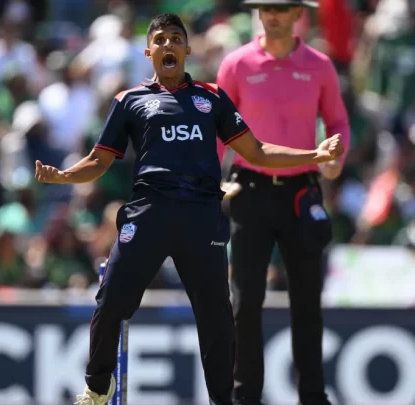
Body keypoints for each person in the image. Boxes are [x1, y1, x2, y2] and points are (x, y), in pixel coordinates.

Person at [33, 13, 344, 405]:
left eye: (175, 39)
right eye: (160, 40)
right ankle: (97, 388)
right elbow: (99, 161)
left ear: (186, 49)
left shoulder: (211, 97)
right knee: (111, 299)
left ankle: (221, 401)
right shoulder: (130, 101)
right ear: (149, 52)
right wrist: (64, 176)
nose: (168, 45)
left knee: (216, 317)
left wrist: (313, 154)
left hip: (201, 217)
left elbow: (257, 151)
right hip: (149, 213)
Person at [214, 1, 351, 404]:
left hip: (299, 191)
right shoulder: (237, 65)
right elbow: (219, 128)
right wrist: (207, 178)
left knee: (307, 300)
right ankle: (244, 397)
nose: (271, 15)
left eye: (280, 7)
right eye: (265, 7)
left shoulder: (319, 66)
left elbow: (338, 121)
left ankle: (312, 395)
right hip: (248, 190)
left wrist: (335, 157)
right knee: (245, 299)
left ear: (297, 14)